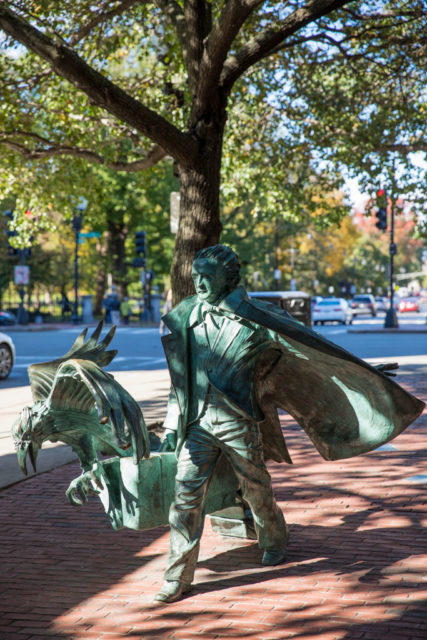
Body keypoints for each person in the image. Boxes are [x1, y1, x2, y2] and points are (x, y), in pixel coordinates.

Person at [155, 244, 424, 603]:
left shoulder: (257, 316)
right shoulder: (185, 315)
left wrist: (360, 371)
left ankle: (274, 537)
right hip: (198, 424)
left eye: (208, 276)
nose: (199, 283)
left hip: (238, 421)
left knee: (255, 488)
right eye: (196, 275)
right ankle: (178, 575)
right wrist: (173, 425)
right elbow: (181, 378)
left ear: (228, 277)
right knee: (185, 497)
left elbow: (313, 348)